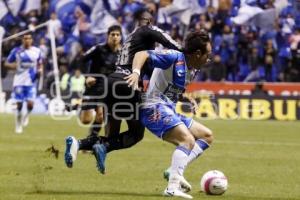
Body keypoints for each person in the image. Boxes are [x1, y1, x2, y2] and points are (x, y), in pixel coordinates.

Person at [64, 9, 183, 173]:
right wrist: (188, 52)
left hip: (111, 83)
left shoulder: (129, 39)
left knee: (112, 137)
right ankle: (101, 147)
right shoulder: (147, 29)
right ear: (148, 21)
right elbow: (172, 44)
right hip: (127, 84)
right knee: (136, 134)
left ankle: (78, 144)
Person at [124, 30, 214, 199]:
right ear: (197, 53)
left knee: (206, 136)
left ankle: (174, 171)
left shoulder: (192, 69)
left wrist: (186, 98)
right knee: (187, 140)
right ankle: (172, 187)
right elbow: (141, 54)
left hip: (167, 108)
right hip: (152, 107)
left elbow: (172, 89)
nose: (208, 58)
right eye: (207, 54)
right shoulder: (173, 57)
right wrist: (136, 72)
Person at [79, 25, 122, 138]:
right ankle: (81, 108)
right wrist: (87, 77)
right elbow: (81, 60)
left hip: (108, 89)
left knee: (101, 115)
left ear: (121, 37)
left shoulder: (122, 54)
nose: (115, 37)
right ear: (108, 36)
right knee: (86, 120)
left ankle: (90, 140)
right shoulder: (98, 49)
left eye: (117, 35)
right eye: (112, 35)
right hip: (93, 87)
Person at [5, 33, 43, 134]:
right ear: (22, 40)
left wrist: (40, 70)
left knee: (30, 105)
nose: (27, 40)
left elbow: (40, 63)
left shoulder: (37, 51)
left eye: (29, 38)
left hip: (31, 81)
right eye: (25, 38)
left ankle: (26, 116)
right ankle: (18, 124)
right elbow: (6, 63)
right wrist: (14, 66)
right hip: (19, 81)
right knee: (19, 105)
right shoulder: (16, 51)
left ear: (32, 40)